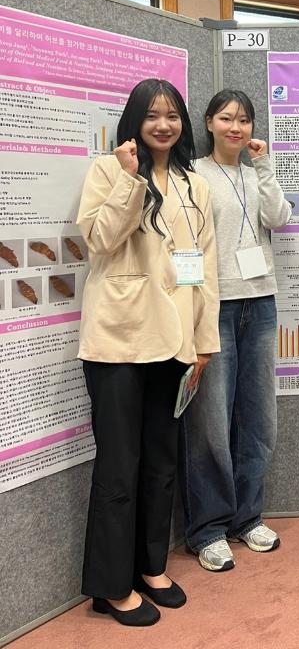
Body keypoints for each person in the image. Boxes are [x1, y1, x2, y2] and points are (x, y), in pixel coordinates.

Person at [77, 78, 220, 626]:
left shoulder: (193, 183)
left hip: (175, 342)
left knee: (161, 461)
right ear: (134, 120)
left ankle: (151, 566)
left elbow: (203, 268)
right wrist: (131, 179)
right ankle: (111, 587)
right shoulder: (108, 171)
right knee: (120, 466)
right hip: (118, 340)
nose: (163, 125)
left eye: (172, 115)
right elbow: (100, 240)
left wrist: (203, 342)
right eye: (152, 115)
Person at [180, 89, 291, 572]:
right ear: (208, 123)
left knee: (259, 418)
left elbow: (278, 219)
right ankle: (207, 528)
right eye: (226, 118)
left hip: (260, 303)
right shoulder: (193, 174)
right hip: (215, 307)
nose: (236, 127)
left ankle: (248, 517)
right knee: (211, 422)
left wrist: (264, 167)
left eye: (244, 120)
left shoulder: (254, 172)